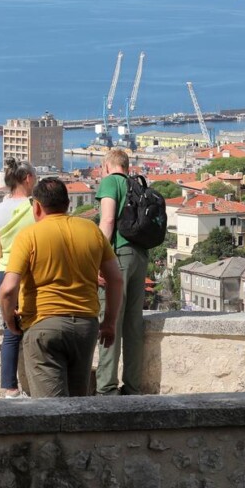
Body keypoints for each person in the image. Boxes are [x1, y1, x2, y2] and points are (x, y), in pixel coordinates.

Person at [0, 177, 123, 398]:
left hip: (43, 324)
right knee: (77, 404)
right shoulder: (92, 231)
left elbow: (8, 289)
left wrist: (10, 321)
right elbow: (115, 279)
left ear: (36, 206)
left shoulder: (28, 236)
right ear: (68, 204)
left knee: (50, 410)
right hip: (85, 325)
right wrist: (110, 323)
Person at [95, 148, 147, 396]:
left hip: (119, 256)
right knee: (134, 323)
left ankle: (106, 387)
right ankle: (133, 386)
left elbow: (107, 220)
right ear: (126, 166)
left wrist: (98, 257)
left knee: (111, 318)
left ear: (107, 166)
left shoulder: (109, 182)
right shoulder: (136, 185)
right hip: (141, 256)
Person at [0, 158, 36, 398]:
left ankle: (10, 387)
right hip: (30, 271)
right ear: (27, 179)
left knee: (10, 330)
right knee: (37, 324)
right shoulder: (35, 207)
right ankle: (40, 384)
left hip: (6, 272)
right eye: (34, 178)